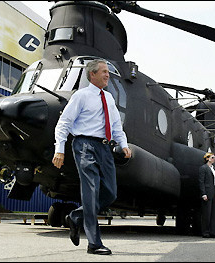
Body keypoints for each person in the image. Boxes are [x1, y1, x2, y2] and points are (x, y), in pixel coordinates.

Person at [52, 59, 132, 255]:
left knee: (110, 192)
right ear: (92, 75)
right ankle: (94, 243)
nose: (107, 75)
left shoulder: (109, 98)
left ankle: (75, 217)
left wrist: (123, 144)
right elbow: (64, 123)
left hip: (105, 148)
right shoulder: (81, 96)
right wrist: (59, 149)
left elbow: (115, 126)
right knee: (91, 190)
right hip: (84, 145)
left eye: (108, 72)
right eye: (104, 71)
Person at [198, 152, 215, 238]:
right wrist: (203, 193)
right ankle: (205, 232)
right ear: (207, 158)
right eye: (212, 157)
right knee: (206, 214)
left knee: (214, 214)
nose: (214, 159)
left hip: (214, 193)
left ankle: (214, 232)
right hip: (207, 193)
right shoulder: (203, 168)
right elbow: (201, 182)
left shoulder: (214, 169)